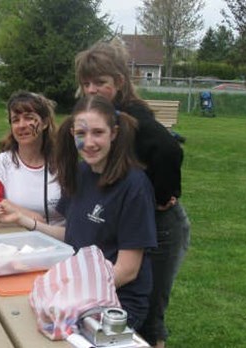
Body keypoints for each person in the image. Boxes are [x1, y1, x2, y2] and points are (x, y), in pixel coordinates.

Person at [0, 95, 157, 330]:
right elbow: (71, 233)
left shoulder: (134, 186)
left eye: (98, 132)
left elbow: (127, 270)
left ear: (114, 133)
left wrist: (72, 296)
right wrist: (23, 220)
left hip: (115, 303)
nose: (88, 142)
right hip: (78, 286)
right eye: (81, 134)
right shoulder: (80, 172)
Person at [74, 41, 190, 347]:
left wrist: (164, 196)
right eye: (86, 84)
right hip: (137, 216)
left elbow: (169, 150)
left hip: (163, 223)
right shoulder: (108, 112)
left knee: (151, 313)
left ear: (119, 83)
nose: (92, 90)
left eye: (100, 83)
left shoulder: (132, 114)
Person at [0, 91, 65, 227]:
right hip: (16, 238)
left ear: (44, 123)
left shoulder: (63, 163)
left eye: (29, 118)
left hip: (59, 241)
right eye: (15, 120)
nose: (21, 125)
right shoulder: (0, 162)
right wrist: (32, 216)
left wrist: (8, 207)